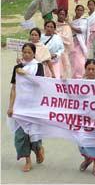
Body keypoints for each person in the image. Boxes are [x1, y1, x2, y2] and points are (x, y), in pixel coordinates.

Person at [7, 43, 45, 172]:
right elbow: (13, 88)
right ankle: (27, 160)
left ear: (34, 54)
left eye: (29, 52)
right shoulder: (17, 68)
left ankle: (38, 148)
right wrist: (11, 106)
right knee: (20, 135)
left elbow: (40, 83)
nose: (26, 55)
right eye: (24, 52)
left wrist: (25, 74)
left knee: (33, 133)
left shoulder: (38, 66)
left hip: (34, 106)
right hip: (20, 106)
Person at [68, 5, 88, 79]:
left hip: (80, 44)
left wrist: (70, 25)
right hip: (72, 43)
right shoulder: (72, 20)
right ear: (75, 10)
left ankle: (80, 77)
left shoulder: (84, 20)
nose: (79, 11)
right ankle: (74, 79)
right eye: (78, 10)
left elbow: (81, 30)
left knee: (80, 62)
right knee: (73, 62)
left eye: (81, 10)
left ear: (83, 12)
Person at [55, 9, 73, 79]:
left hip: (64, 52)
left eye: (63, 14)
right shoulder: (53, 25)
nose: (61, 16)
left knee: (65, 70)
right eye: (60, 14)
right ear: (57, 15)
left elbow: (68, 40)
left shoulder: (67, 27)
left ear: (65, 16)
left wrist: (57, 34)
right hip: (54, 52)